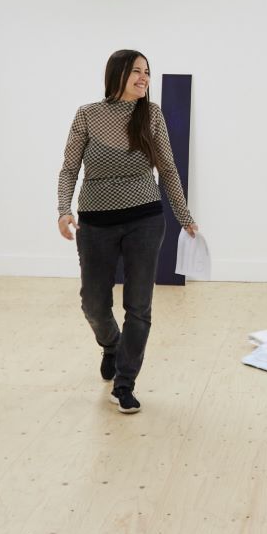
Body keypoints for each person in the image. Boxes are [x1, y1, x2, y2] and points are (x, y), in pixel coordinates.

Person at [57, 49, 198, 414]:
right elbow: (69, 169)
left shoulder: (151, 114)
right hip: (95, 223)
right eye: (137, 71)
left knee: (139, 306)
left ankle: (125, 382)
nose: (144, 78)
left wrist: (184, 216)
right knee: (93, 303)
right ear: (117, 74)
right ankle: (110, 344)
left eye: (147, 72)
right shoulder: (87, 114)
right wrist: (63, 210)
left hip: (145, 221)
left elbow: (167, 168)